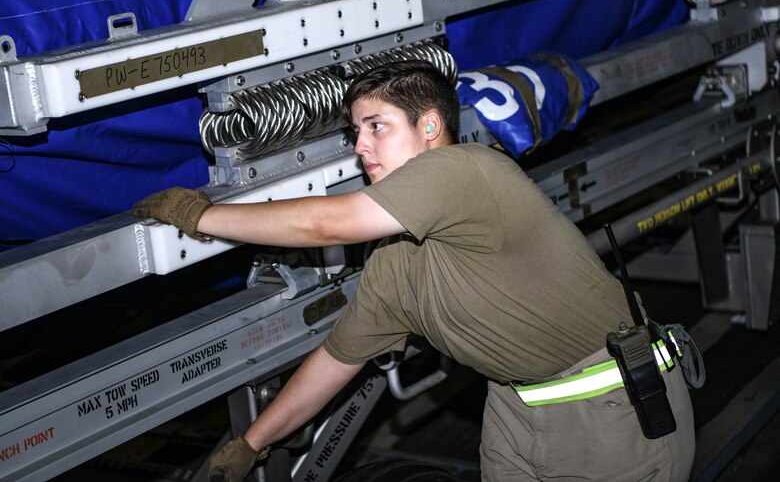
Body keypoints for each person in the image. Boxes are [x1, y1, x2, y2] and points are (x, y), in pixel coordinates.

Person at [132, 60, 696, 481]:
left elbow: (327, 225)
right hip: (512, 409)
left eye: (377, 127)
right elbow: (335, 360)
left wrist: (202, 215)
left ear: (430, 127)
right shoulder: (393, 267)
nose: (361, 147)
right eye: (355, 134)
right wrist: (251, 444)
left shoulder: (466, 169)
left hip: (610, 410)